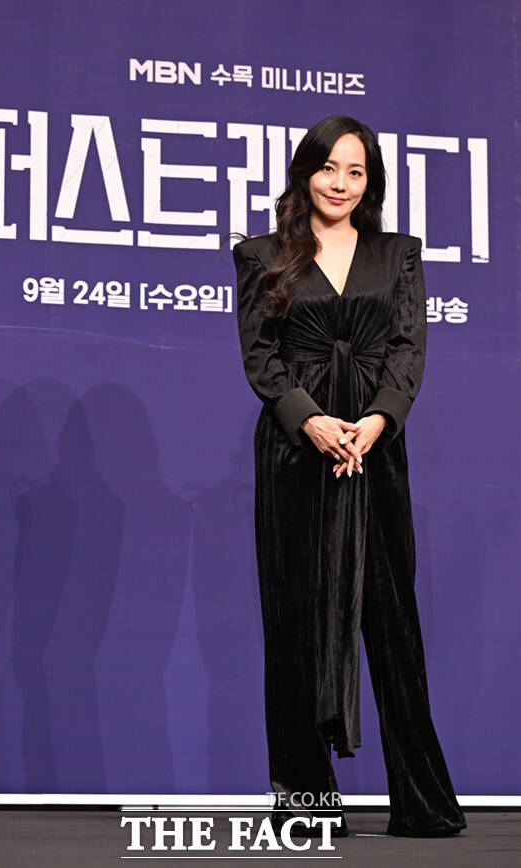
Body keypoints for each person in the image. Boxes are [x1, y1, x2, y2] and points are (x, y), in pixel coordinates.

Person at [233, 115, 467, 839]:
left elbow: (407, 348)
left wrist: (376, 420)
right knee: (295, 621)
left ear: (372, 182)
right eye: (329, 167)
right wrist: (309, 420)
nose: (341, 182)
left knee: (393, 620)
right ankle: (306, 805)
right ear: (305, 172)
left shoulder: (398, 254)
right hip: (296, 453)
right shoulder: (262, 254)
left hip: (374, 452)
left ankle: (423, 802)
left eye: (356, 171)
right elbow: (260, 357)